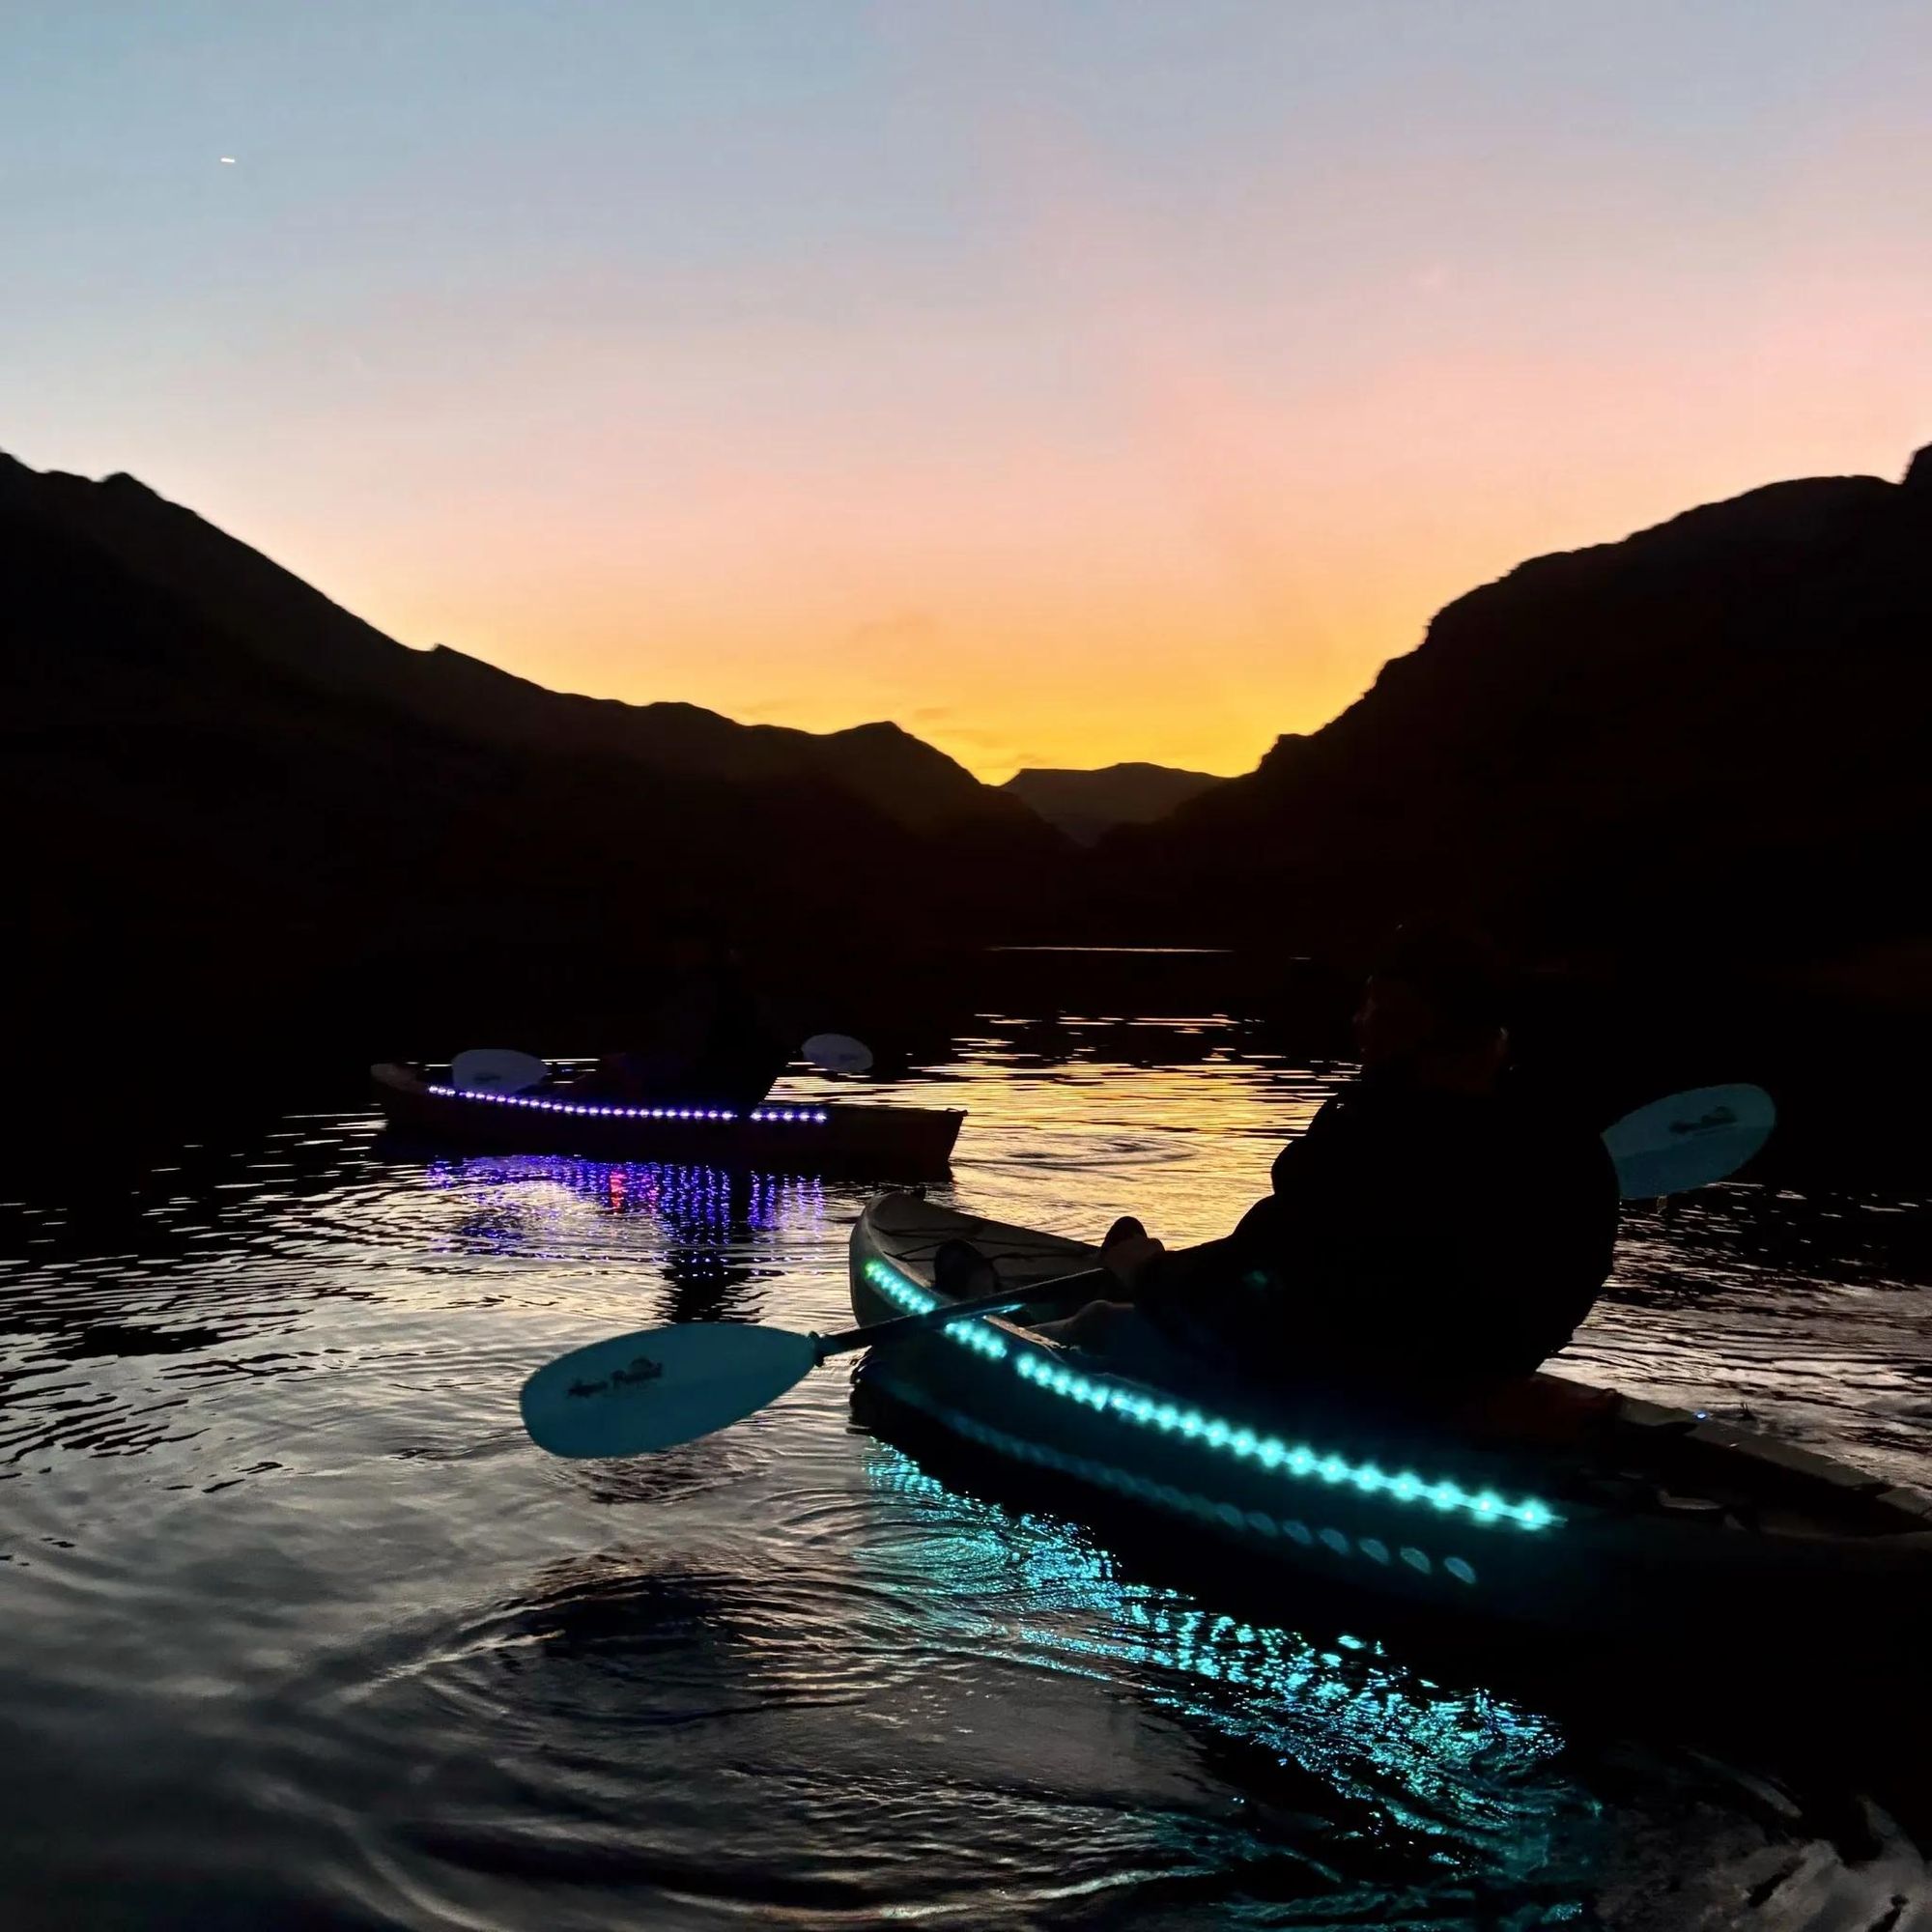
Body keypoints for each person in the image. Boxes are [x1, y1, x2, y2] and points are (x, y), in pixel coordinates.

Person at [1033, 928, 1619, 1411]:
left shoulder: (1373, 1137)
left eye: (1384, 1012)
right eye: (1366, 1004)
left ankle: (1047, 1336)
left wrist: (1151, 1274)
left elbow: (1270, 1268)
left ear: (1437, 1031)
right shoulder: (1567, 1139)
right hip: (1472, 1371)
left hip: (1344, 1381)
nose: (1361, 1023)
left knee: (1098, 1322)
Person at [583, 916, 791, 1111]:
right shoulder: (712, 991)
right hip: (706, 1082)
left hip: (704, 1087)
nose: (675, 954)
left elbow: (686, 1054)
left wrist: (627, 1065)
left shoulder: (711, 994)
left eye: (683, 946)